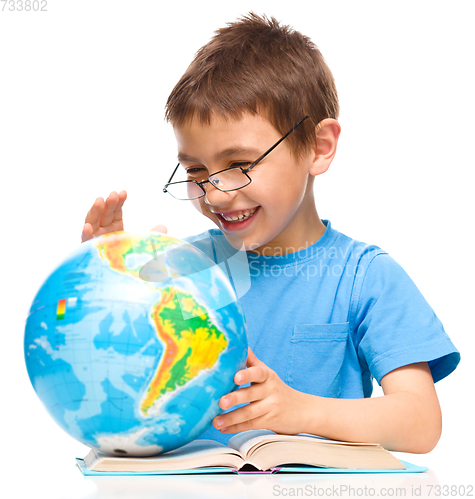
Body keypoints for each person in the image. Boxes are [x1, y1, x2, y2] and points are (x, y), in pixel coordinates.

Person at [81, 13, 460, 453]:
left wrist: (298, 410)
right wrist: (109, 285)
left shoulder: (364, 276)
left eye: (240, 165)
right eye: (197, 170)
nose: (216, 194)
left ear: (319, 147)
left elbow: (420, 422)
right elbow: (115, 382)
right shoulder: (180, 269)